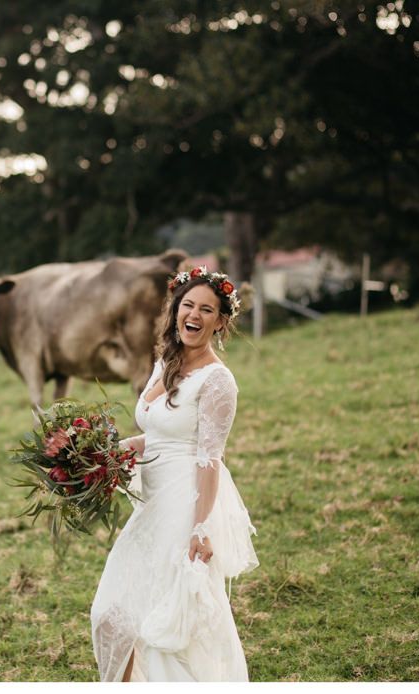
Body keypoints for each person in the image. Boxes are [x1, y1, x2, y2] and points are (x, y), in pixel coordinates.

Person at [90, 266, 258, 682]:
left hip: (186, 505)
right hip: (152, 504)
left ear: (221, 321)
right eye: (188, 305)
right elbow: (157, 434)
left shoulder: (218, 381)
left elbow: (208, 457)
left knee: (167, 627)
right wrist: (103, 455)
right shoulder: (166, 359)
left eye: (207, 309)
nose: (194, 315)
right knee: (112, 613)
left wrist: (200, 527)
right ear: (176, 310)